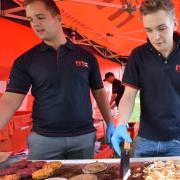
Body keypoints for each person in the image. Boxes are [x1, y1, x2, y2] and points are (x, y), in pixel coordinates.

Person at [0, 0, 115, 160]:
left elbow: (99, 92)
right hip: (44, 140)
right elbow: (10, 100)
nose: (35, 24)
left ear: (58, 18)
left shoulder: (87, 57)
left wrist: (110, 122)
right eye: (31, 19)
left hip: (83, 138)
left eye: (40, 17)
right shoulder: (25, 61)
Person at [111, 0, 180, 157]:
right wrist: (121, 124)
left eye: (162, 28)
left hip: (177, 140)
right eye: (149, 30)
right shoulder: (138, 55)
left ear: (174, 24)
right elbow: (128, 95)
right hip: (146, 139)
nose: (156, 37)